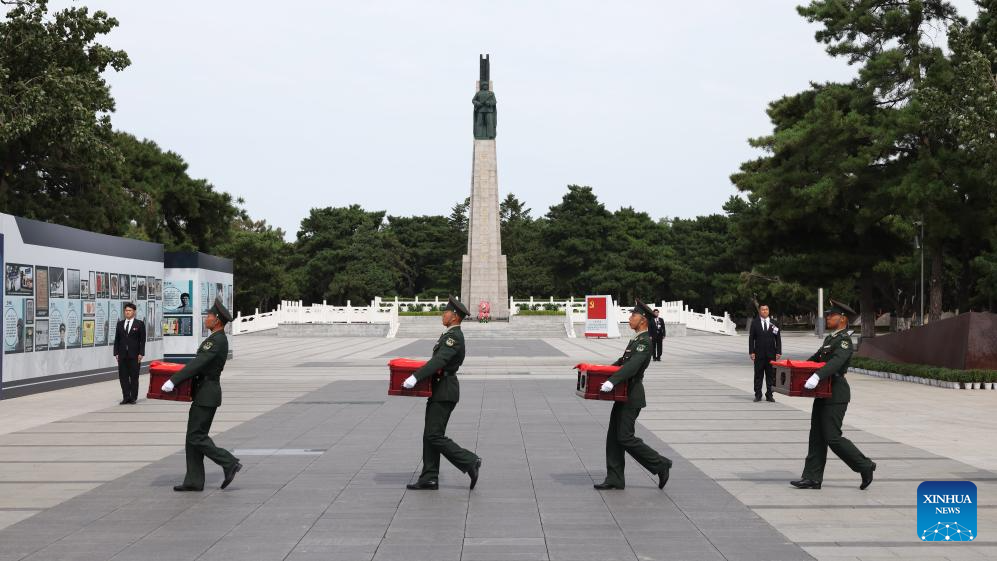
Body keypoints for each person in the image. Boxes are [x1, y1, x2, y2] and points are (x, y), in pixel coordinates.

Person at [791, 301, 876, 491]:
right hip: (823, 392)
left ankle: (865, 465)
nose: (827, 318)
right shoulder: (831, 339)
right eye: (828, 315)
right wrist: (796, 369)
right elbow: (816, 359)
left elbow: (836, 362)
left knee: (832, 437)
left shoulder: (844, 341)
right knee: (817, 436)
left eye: (831, 315)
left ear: (842, 318)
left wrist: (817, 376)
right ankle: (812, 477)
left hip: (836, 393)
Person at [161, 299, 242, 492]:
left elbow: (198, 364)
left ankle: (229, 462)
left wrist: (174, 380)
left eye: (209, 316)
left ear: (217, 320)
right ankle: (194, 480)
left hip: (207, 394)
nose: (206, 319)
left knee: (196, 436)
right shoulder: (216, 338)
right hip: (204, 393)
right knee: (193, 437)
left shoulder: (217, 340)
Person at [402, 296, 482, 490]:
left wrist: (415, 377)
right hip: (440, 388)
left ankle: (470, 460)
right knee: (429, 435)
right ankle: (429, 477)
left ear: (454, 316)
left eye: (445, 312)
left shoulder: (454, 337)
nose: (442, 315)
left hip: (445, 390)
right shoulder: (448, 334)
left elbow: (439, 361)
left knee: (434, 435)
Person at [594, 299, 673, 490]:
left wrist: (612, 381)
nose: (629, 318)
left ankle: (660, 463)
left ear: (643, 319)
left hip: (632, 396)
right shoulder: (636, 339)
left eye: (633, 315)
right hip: (622, 394)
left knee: (625, 437)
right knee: (614, 437)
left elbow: (633, 366)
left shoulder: (645, 342)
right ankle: (615, 478)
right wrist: (599, 372)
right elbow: (622, 362)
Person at [113, 303, 145, 404]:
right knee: (123, 377)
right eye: (126, 310)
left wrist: (141, 353)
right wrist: (116, 353)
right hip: (122, 355)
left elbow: (142, 340)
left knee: (134, 377)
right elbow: (117, 340)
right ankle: (126, 397)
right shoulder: (120, 324)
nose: (127, 312)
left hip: (135, 355)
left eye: (130, 310)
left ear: (134, 312)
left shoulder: (139, 324)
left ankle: (133, 397)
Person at [748, 304, 782, 402]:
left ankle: (769, 394)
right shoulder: (755, 323)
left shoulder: (774, 323)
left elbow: (778, 338)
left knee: (771, 375)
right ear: (759, 311)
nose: (765, 311)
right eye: (763, 309)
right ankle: (758, 394)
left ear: (769, 311)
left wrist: (778, 351)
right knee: (758, 375)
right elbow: (751, 338)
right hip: (759, 354)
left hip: (771, 354)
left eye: (766, 309)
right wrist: (751, 352)